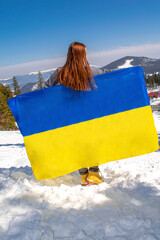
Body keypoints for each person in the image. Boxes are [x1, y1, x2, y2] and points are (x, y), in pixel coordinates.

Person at [42, 42, 108, 186]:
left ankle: (84, 176)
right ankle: (94, 174)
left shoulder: (60, 72)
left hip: (69, 116)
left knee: (77, 144)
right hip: (90, 114)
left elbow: (44, 89)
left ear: (69, 55)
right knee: (93, 141)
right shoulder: (92, 71)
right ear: (83, 55)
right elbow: (111, 75)